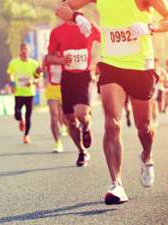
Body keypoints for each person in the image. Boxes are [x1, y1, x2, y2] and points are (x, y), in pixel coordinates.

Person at [56, 0, 168, 204]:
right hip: (111, 65)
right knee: (112, 123)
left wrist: (150, 27)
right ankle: (116, 184)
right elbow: (62, 7)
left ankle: (147, 157)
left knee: (144, 128)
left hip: (140, 66)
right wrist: (77, 17)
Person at [46, 14, 101, 166]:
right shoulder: (57, 32)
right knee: (70, 120)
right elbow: (49, 58)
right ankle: (82, 151)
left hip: (84, 76)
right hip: (67, 78)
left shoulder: (89, 26)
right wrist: (61, 60)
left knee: (81, 114)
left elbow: (106, 41)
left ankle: (87, 127)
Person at [7, 42, 42, 144]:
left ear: (28, 51)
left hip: (29, 93)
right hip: (18, 93)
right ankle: (21, 119)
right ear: (20, 51)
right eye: (22, 49)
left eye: (26, 49)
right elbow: (10, 74)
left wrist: (32, 82)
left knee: (29, 115)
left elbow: (38, 78)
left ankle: (26, 135)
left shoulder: (34, 63)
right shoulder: (14, 63)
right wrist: (12, 84)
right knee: (17, 113)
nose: (24, 51)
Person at [43, 54, 66, 153]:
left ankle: (64, 126)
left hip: (65, 88)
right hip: (52, 89)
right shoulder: (47, 57)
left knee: (64, 114)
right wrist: (38, 72)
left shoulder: (65, 54)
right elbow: (41, 71)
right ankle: (57, 143)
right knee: (54, 115)